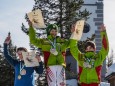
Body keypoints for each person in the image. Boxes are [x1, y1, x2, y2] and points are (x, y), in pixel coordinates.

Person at [28, 20, 77, 86]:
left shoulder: (62, 41)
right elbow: (33, 40)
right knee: (51, 84)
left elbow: (71, 44)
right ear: (48, 32)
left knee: (61, 84)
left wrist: (74, 33)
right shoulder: (44, 41)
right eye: (52, 31)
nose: (54, 32)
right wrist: (31, 27)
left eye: (55, 31)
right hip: (50, 65)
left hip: (60, 64)